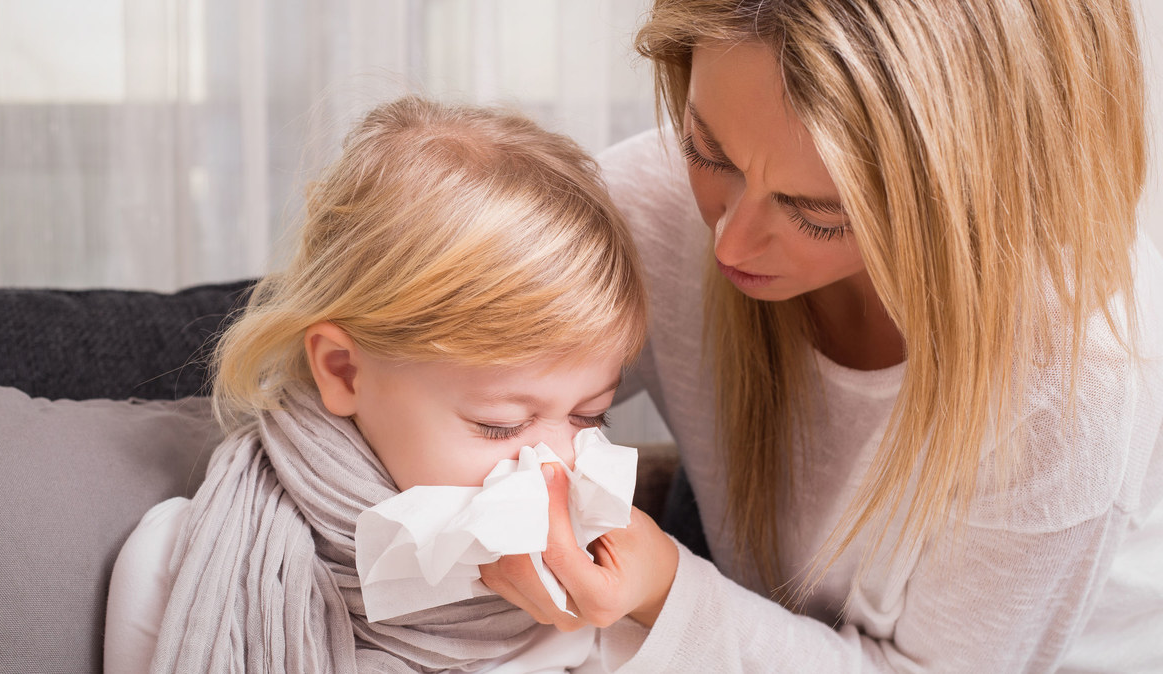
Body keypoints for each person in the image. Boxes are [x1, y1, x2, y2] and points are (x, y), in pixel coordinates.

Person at [479, 1, 1163, 670]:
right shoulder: (650, 205)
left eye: (818, 212)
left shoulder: (1076, 378)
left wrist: (667, 591)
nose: (730, 239)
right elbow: (417, 385)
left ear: (970, 194)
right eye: (708, 152)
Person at [103, 95, 649, 673]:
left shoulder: (600, 581)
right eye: (501, 425)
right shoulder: (182, 563)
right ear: (342, 370)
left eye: (590, 416)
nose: (556, 468)